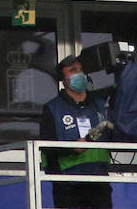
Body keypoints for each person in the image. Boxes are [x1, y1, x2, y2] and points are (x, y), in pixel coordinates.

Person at [39, 54, 112, 208]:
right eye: (73, 70)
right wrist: (72, 147)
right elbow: (47, 147)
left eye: (81, 70)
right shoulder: (52, 108)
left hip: (99, 182)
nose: (79, 74)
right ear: (63, 79)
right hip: (68, 185)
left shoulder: (100, 105)